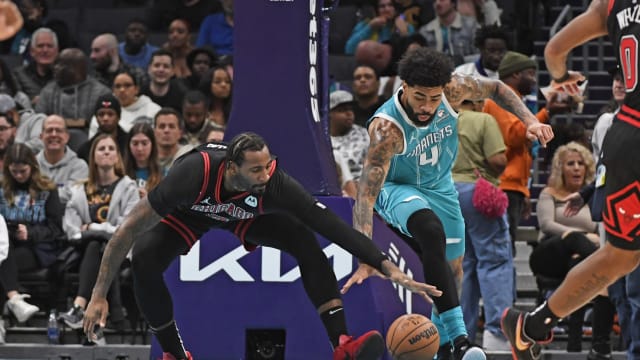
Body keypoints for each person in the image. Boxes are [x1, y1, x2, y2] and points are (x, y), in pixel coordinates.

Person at [81, 132, 441, 360]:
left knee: (303, 237)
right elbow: (125, 232)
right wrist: (99, 294)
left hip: (244, 213)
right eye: (255, 170)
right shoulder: (191, 175)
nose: (265, 175)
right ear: (231, 168)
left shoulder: (274, 184)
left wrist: (384, 264)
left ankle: (342, 343)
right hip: (194, 211)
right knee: (144, 259)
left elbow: (331, 225)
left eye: (268, 167)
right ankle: (175, 355)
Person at [341, 47, 553, 360]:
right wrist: (366, 255)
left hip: (441, 186)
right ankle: (461, 340)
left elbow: (497, 88)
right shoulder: (386, 129)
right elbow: (365, 196)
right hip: (398, 188)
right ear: (404, 88)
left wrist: (529, 121)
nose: (427, 106)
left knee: (453, 271)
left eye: (434, 98)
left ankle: (441, 347)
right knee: (430, 230)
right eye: (419, 97)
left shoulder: (454, 90)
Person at [500, 1, 640, 360]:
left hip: (627, 136)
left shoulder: (611, 3)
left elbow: (554, 50)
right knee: (620, 258)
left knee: (620, 258)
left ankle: (532, 325)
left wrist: (561, 80)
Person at [59, 134, 139, 343]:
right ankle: (97, 324)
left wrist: (93, 227)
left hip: (122, 251)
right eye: (101, 148)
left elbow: (127, 228)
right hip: (84, 253)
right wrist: (102, 232)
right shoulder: (79, 190)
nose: (106, 152)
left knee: (100, 244)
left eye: (111, 148)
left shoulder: (129, 187)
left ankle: (79, 307)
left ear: (117, 157)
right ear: (93, 157)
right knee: (97, 245)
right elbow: (71, 229)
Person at [527, 141, 604, 353]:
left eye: (581, 163)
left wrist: (590, 240)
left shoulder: (592, 197)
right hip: (549, 253)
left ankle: (574, 343)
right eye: (571, 163)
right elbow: (546, 224)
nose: (577, 168)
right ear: (561, 169)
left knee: (578, 264)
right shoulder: (549, 193)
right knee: (575, 242)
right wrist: (578, 235)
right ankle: (609, 277)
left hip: (579, 257)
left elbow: (600, 227)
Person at [451, 98, 512, 351]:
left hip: (445, 194)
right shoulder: (483, 119)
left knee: (463, 264)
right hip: (477, 193)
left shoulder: (439, 122)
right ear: (477, 101)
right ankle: (497, 333)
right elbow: (497, 160)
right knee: (494, 259)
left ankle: (460, 335)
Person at [0, 143, 64, 323]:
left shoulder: (47, 189)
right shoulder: (1, 189)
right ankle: (14, 300)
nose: (19, 176)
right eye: (14, 172)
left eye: (23, 171)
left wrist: (30, 232)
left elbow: (56, 229)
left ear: (32, 167)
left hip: (36, 249)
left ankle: (5, 315)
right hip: (7, 245)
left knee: (1, 258)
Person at [89, 70, 161, 138]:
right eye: (118, 86)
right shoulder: (103, 114)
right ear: (113, 90)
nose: (122, 90)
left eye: (127, 85)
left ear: (136, 89)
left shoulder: (154, 110)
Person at [36, 115, 88, 204]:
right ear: (41, 136)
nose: (54, 134)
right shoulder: (32, 164)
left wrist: (40, 194)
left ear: (67, 137)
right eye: (49, 130)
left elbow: (73, 196)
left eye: (59, 131)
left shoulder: (80, 166)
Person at [344, 0, 415, 55]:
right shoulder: (365, 24)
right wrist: (370, 28)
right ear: (376, 10)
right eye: (382, 6)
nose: (387, 9)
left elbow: (413, 55)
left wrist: (404, 33)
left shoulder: (406, 26)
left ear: (395, 9)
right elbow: (349, 50)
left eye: (390, 5)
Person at [123, 122, 162, 198]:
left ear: (152, 145)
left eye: (144, 143)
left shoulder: (164, 174)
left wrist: (148, 200)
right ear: (128, 145)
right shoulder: (120, 173)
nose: (140, 149)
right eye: (135, 143)